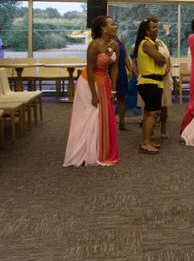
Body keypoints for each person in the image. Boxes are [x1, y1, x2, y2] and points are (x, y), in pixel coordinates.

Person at [63, 16, 120, 167]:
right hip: (89, 83)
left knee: (103, 116)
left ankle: (98, 150)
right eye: (113, 24)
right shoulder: (94, 45)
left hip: (104, 82)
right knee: (91, 115)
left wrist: (113, 90)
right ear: (103, 28)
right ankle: (83, 153)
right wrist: (94, 94)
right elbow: (89, 68)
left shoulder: (115, 45)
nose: (116, 27)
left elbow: (115, 68)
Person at [134, 17, 167, 154]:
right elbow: (161, 59)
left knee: (149, 112)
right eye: (153, 27)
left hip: (153, 82)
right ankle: (146, 143)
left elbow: (161, 60)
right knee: (152, 113)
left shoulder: (150, 43)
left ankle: (145, 140)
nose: (156, 30)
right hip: (149, 82)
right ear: (146, 31)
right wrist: (160, 56)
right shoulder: (147, 44)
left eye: (157, 27)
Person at [113, 34, 134, 131]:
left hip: (121, 72)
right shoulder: (102, 41)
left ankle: (122, 122)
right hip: (110, 72)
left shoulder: (120, 40)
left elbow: (125, 56)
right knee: (109, 98)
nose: (114, 27)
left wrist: (130, 69)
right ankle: (109, 122)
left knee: (121, 97)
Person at [156, 37, 172, 138]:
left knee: (164, 105)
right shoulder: (145, 44)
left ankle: (163, 129)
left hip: (164, 77)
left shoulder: (162, 44)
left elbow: (168, 60)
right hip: (152, 77)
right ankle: (150, 130)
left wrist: (166, 70)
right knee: (150, 106)